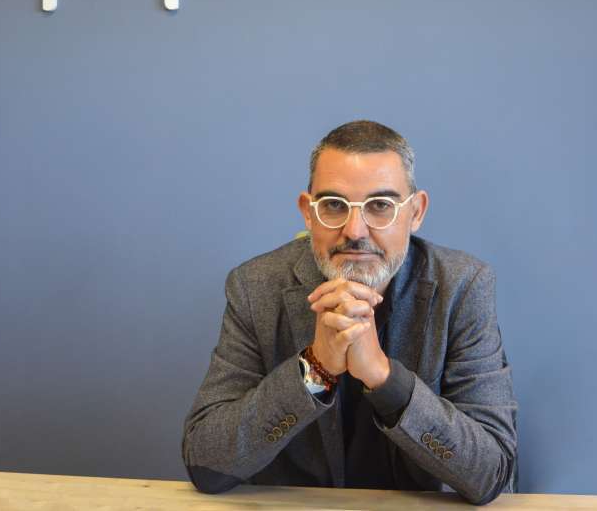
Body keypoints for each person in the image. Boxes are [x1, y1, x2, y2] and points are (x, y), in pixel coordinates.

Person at [181, 120, 517, 505]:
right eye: (334, 206)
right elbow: (206, 464)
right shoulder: (255, 286)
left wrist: (384, 377)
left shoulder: (463, 286)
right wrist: (315, 368)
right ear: (308, 212)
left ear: (416, 212)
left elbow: (491, 472)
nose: (355, 230)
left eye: (380, 206)